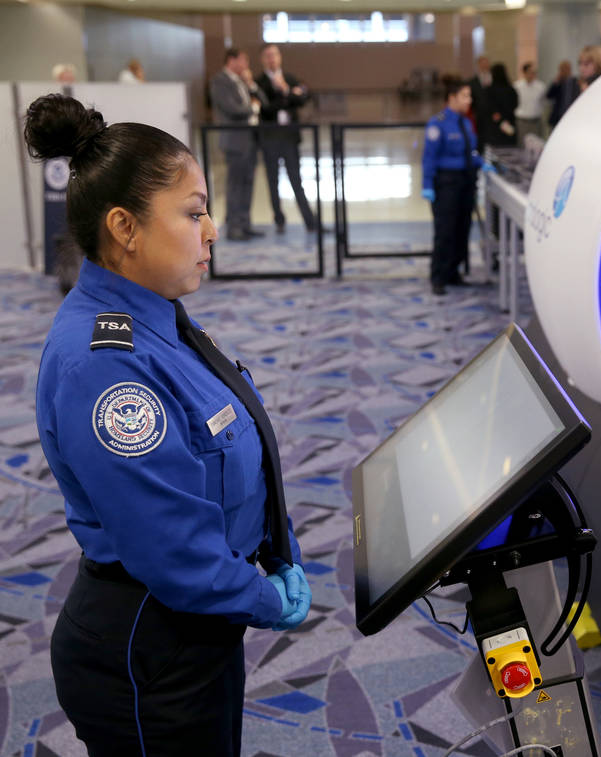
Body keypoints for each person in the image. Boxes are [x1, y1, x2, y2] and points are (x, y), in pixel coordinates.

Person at [24, 93, 311, 756]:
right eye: (192, 212)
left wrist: (272, 550)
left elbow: (225, 452)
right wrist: (266, 596)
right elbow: (171, 549)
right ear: (124, 228)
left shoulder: (154, 315)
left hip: (200, 623)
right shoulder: (106, 366)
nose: (211, 229)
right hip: (151, 647)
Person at [422, 76, 486, 296]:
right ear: (452, 98)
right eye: (465, 96)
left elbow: (470, 151)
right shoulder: (437, 123)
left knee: (462, 229)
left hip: (466, 182)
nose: (469, 100)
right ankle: (438, 277)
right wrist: (427, 184)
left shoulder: (466, 122)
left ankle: (453, 273)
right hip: (446, 183)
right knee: (445, 232)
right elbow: (429, 157)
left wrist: (482, 163)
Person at [255, 43, 318, 234]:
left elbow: (303, 99)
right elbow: (264, 109)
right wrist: (285, 98)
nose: (272, 59)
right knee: (272, 181)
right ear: (263, 59)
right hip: (270, 138)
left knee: (296, 180)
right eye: (268, 55)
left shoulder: (289, 79)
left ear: (280, 57)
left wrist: (286, 90)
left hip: (289, 138)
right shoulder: (259, 83)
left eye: (274, 54)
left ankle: (310, 222)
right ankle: (279, 221)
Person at [209, 49, 265, 241]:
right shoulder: (220, 81)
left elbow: (261, 100)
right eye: (244, 60)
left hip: (249, 139)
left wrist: (250, 84)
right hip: (234, 140)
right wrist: (253, 108)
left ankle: (245, 223)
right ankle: (234, 227)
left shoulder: (241, 80)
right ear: (231, 60)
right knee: (235, 184)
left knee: (248, 183)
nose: (246, 64)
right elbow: (233, 109)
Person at [481, 62, 518, 148]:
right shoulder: (511, 89)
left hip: (494, 126)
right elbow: (515, 104)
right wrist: (505, 117)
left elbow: (486, 106)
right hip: (509, 123)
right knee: (509, 151)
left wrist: (497, 114)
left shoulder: (489, 90)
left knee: (495, 152)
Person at [513, 62, 546, 143]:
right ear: (524, 73)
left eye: (534, 72)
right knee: (522, 145)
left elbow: (543, 102)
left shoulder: (541, 86)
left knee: (537, 146)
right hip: (522, 121)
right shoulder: (517, 86)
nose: (532, 74)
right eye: (530, 72)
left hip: (536, 121)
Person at [545, 60, 577, 130]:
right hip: (558, 117)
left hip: (571, 116)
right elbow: (548, 96)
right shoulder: (558, 82)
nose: (564, 71)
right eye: (562, 69)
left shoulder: (575, 82)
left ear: (570, 69)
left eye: (566, 69)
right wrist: (555, 83)